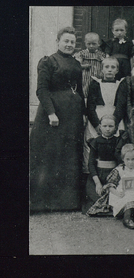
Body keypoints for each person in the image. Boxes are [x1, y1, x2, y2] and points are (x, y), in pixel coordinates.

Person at [30, 26, 85, 211]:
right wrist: (51, 113)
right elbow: (42, 90)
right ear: (58, 42)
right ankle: (41, 203)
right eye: (66, 41)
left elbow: (81, 91)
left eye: (72, 42)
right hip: (53, 116)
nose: (69, 45)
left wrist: (83, 114)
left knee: (68, 156)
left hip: (73, 115)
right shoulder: (48, 61)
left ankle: (66, 202)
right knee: (49, 155)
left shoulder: (77, 64)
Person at [83, 57, 123, 174]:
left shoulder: (120, 84)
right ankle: (91, 175)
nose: (109, 70)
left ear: (117, 70)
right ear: (102, 69)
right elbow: (90, 107)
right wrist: (97, 125)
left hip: (114, 119)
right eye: (106, 67)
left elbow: (121, 106)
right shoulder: (95, 83)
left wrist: (114, 124)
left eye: (113, 67)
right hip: (97, 117)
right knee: (92, 145)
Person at [106, 144, 134, 229]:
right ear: (123, 159)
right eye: (127, 159)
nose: (130, 162)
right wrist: (117, 193)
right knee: (128, 197)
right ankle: (127, 218)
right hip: (122, 193)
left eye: (133, 159)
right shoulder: (119, 170)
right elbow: (110, 185)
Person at [83, 115, 119, 215]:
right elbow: (91, 163)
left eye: (111, 126)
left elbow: (120, 161)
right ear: (100, 127)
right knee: (95, 195)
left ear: (115, 127)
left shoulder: (118, 141)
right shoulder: (95, 141)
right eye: (105, 126)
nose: (107, 129)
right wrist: (98, 183)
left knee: (114, 195)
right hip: (98, 174)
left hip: (113, 174)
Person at [73, 32, 106, 99]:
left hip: (98, 77)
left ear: (98, 43)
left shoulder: (101, 55)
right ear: (85, 43)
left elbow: (105, 64)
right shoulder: (82, 54)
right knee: (85, 91)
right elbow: (76, 66)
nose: (91, 46)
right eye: (89, 44)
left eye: (94, 44)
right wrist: (84, 66)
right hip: (86, 77)